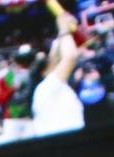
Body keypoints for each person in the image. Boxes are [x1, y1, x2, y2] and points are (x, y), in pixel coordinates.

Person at [31, 5, 87, 137]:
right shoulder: (48, 86)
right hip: (64, 144)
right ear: (43, 72)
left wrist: (63, 31)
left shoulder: (45, 88)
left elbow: (57, 56)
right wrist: (64, 29)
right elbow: (69, 57)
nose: (55, 63)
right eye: (51, 63)